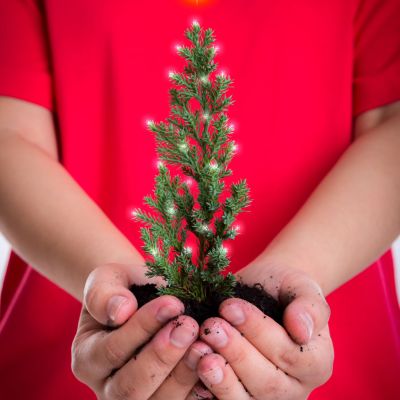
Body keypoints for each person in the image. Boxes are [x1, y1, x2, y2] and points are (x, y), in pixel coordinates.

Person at [0, 0, 399, 399]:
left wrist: (299, 278)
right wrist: (113, 287)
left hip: (337, 348)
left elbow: (390, 123)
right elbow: (9, 135)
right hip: (71, 356)